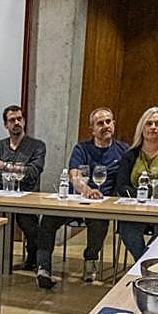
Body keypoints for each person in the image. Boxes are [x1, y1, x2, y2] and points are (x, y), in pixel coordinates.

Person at [38, 108, 127, 287]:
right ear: (92, 130)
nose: (105, 126)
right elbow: (75, 176)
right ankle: (44, 268)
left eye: (108, 122)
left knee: (99, 223)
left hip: (103, 205)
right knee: (48, 220)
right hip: (76, 200)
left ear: (114, 124)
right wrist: (86, 190)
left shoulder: (123, 150)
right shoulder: (82, 148)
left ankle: (90, 260)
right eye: (100, 123)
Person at [112, 107, 158, 260]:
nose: (153, 127)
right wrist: (143, 196)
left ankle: (144, 263)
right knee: (127, 230)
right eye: (149, 123)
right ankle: (146, 263)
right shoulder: (130, 154)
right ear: (142, 127)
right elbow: (121, 185)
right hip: (137, 208)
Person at [0, 105, 47, 278]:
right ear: (6, 125)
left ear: (24, 121)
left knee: (29, 225)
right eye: (12, 120)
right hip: (1, 197)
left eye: (19, 119)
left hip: (27, 197)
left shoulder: (37, 146)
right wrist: (16, 172)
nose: (17, 122)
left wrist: (5, 166)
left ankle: (33, 258)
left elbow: (33, 172)